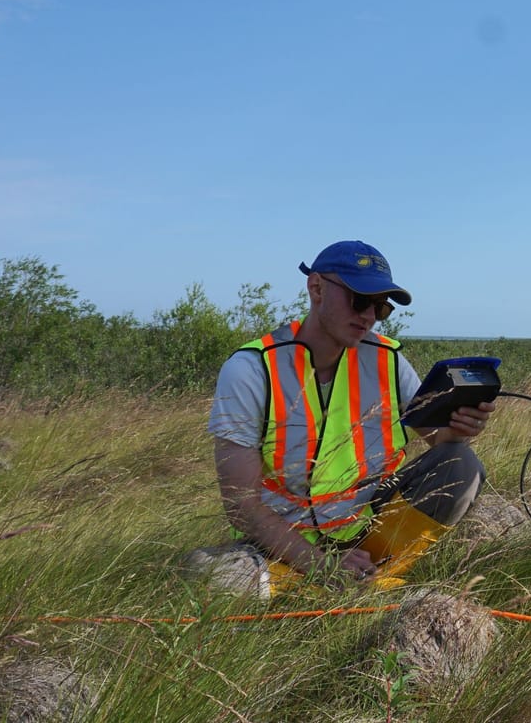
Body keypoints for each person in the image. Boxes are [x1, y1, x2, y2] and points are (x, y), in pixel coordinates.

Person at [203, 240, 494, 595]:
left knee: (462, 464)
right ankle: (336, 585)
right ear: (316, 288)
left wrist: (461, 429)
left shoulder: (388, 361)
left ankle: (374, 576)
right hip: (281, 546)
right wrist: (321, 565)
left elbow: (441, 443)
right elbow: (241, 506)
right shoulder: (251, 370)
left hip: (367, 534)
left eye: (380, 307)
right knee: (216, 582)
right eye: (359, 300)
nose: (369, 316)